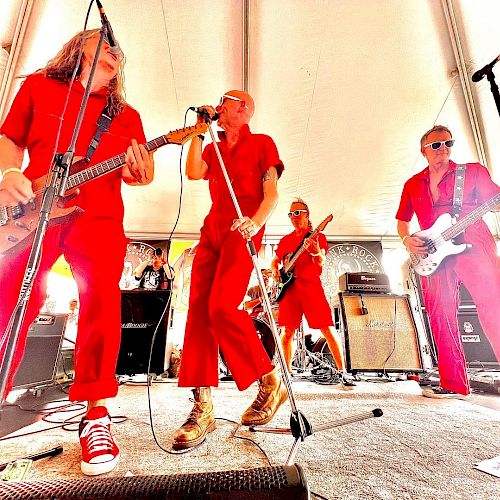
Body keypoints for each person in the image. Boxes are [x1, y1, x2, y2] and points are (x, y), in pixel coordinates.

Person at [0, 29, 154, 475]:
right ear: (78, 47)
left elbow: (137, 172)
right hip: (37, 208)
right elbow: (10, 137)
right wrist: (10, 172)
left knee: (102, 303)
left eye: (117, 50)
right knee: (11, 296)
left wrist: (140, 173)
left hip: (99, 216)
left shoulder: (126, 115)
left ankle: (95, 414)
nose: (114, 51)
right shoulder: (38, 86)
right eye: (105, 42)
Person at [172, 90, 285, 451]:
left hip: (244, 226)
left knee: (221, 307)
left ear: (245, 109)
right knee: (199, 315)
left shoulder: (263, 143)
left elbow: (272, 194)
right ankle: (202, 406)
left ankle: (268, 379)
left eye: (227, 102)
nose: (219, 106)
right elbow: (194, 172)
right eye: (218, 102)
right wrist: (200, 131)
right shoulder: (212, 146)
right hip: (212, 230)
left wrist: (256, 223)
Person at [396, 125, 500, 399]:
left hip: (473, 240)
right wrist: (407, 240)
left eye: (448, 143)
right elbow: (402, 221)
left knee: (493, 305)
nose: (444, 148)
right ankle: (453, 383)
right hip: (433, 251)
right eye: (437, 145)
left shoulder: (473, 171)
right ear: (424, 151)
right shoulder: (412, 183)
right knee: (440, 314)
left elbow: (496, 201)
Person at [271, 198, 355, 388]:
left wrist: (316, 252)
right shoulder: (285, 240)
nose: (294, 217)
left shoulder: (317, 237)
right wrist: (275, 268)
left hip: (311, 287)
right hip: (290, 289)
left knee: (327, 329)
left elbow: (321, 262)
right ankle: (288, 373)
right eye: (291, 214)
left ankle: (343, 373)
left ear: (307, 215)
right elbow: (275, 261)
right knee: (287, 332)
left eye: (297, 213)